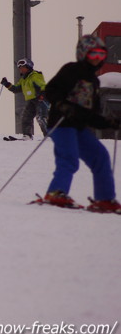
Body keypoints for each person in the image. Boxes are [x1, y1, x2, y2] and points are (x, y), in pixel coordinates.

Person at [37, 34, 121, 213]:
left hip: (80, 127)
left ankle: (104, 199)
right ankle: (56, 193)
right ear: (83, 54)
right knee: (69, 158)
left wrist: (108, 122)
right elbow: (51, 90)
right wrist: (62, 105)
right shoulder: (71, 70)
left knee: (100, 157)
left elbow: (90, 114)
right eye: (93, 55)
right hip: (61, 124)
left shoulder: (94, 81)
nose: (97, 59)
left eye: (101, 55)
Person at [1, 58, 49, 140]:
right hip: (31, 101)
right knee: (26, 117)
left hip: (40, 99)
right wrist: (7, 84)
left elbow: (42, 85)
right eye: (20, 68)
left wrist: (42, 94)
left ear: (28, 66)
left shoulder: (35, 75)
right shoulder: (23, 79)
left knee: (41, 118)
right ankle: (27, 135)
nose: (21, 70)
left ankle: (49, 135)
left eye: (23, 67)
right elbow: (16, 89)